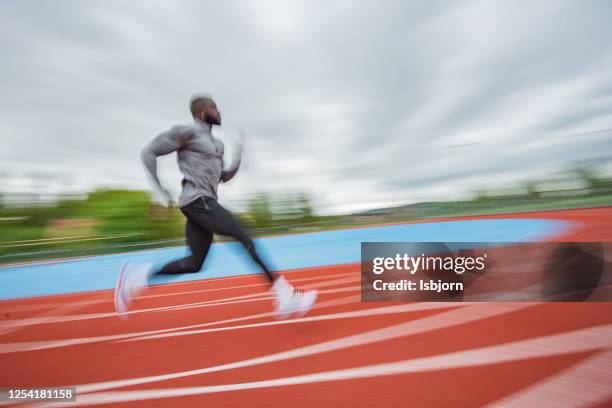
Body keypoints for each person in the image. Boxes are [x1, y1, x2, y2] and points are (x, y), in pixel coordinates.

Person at [114, 94, 317, 319]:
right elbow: (148, 152)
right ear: (202, 113)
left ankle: (138, 276)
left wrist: (238, 155)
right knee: (244, 235)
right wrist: (160, 190)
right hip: (198, 201)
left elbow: (223, 176)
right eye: (215, 108)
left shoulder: (217, 145)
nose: (219, 112)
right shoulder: (186, 133)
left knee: (195, 263)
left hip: (201, 204)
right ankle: (285, 295)